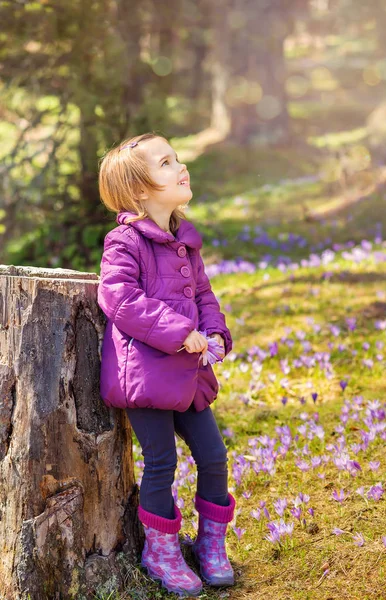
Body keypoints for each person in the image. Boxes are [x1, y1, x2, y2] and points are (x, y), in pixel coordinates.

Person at [97, 132, 236, 597]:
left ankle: (211, 545)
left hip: (190, 375)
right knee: (161, 461)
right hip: (147, 376)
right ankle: (160, 551)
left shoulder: (184, 241)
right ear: (139, 191)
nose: (181, 167)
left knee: (214, 458)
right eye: (165, 163)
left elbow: (203, 295)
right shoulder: (125, 241)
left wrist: (214, 330)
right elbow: (118, 297)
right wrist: (180, 332)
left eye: (176, 158)